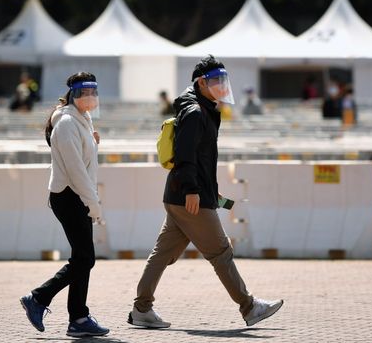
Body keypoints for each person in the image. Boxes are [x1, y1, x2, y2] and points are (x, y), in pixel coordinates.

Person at [128, 55, 283, 329]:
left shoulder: (202, 108)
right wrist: (193, 191)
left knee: (162, 254)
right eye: (215, 81)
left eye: (224, 80)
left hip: (181, 196)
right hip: (189, 198)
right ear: (201, 83)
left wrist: (211, 193)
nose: (222, 86)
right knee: (221, 252)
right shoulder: (196, 112)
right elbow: (185, 155)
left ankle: (141, 309)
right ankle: (249, 307)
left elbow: (200, 159)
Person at [20, 72, 110, 338]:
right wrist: (92, 202)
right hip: (69, 196)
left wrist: (93, 144)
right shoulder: (68, 123)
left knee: (83, 258)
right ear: (75, 94)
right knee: (85, 258)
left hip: (77, 195)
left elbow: (83, 161)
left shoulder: (82, 120)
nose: (92, 96)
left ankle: (79, 318)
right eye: (86, 92)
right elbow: (75, 171)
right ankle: (38, 298)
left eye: (94, 91)